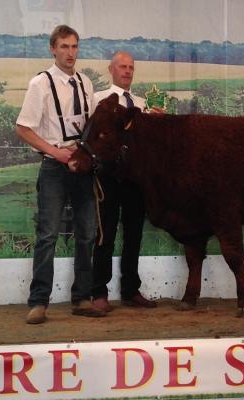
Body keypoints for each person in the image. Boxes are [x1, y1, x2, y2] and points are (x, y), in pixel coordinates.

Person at [16, 25, 105, 324]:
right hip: (54, 166)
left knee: (87, 234)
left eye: (75, 47)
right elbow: (23, 128)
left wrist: (87, 155)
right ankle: (39, 302)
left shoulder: (85, 83)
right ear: (52, 49)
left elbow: (91, 126)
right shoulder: (40, 83)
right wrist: (56, 153)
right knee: (48, 235)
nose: (71, 53)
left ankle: (81, 297)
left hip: (82, 166)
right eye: (65, 47)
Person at [91, 51, 161, 312]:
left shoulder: (142, 105)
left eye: (131, 67)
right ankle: (99, 292)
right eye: (122, 66)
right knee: (105, 234)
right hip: (108, 176)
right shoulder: (98, 100)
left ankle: (131, 290)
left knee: (134, 235)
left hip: (135, 180)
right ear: (111, 69)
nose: (127, 71)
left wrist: (158, 123)